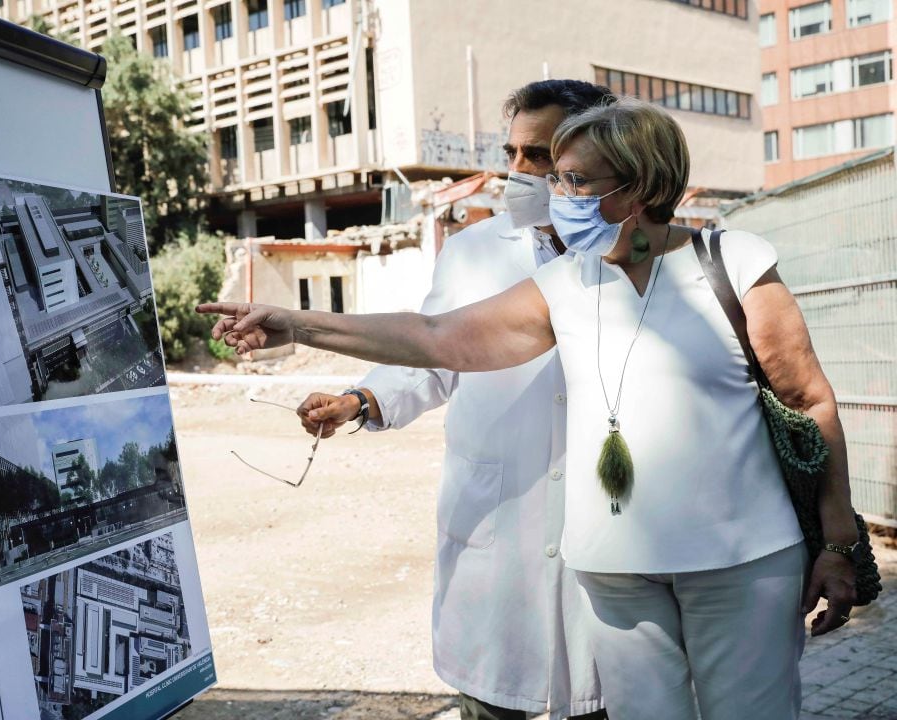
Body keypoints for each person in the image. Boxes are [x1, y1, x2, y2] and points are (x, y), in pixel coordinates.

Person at [199, 97, 861, 720]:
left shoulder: (734, 262)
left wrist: (837, 545)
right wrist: (295, 323)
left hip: (741, 564)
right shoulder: (565, 282)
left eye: (574, 181)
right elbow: (435, 338)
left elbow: (809, 400)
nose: (555, 197)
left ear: (640, 186)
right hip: (615, 574)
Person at [292, 79, 609, 720]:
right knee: (492, 697)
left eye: (539, 155)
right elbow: (434, 353)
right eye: (512, 152)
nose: (518, 170)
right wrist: (361, 397)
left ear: (592, 155)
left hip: (601, 522)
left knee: (600, 693)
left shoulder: (628, 254)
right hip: (497, 519)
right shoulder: (472, 250)